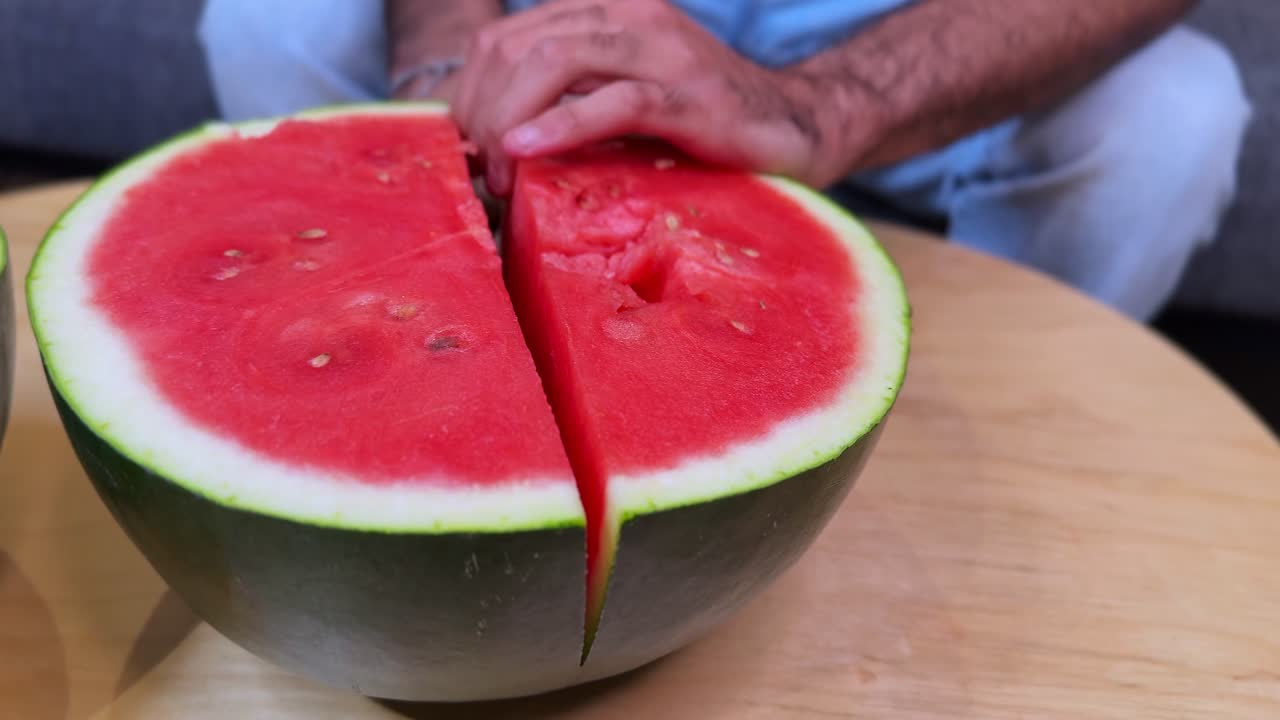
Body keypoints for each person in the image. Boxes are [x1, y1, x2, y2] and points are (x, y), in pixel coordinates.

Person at [198, 0, 1252, 322]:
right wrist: (440, 49)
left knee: (1170, 118)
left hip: (922, 42)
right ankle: (407, 329)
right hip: (548, 20)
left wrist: (832, 104)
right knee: (269, 20)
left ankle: (948, 436)